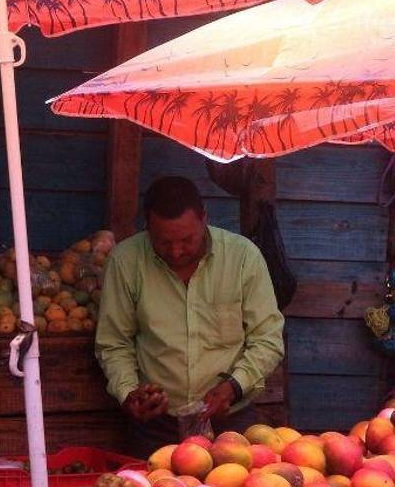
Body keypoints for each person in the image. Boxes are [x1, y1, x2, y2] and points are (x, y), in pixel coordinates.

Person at [96, 176, 285, 453]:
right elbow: (114, 343)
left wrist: (233, 387)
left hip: (230, 422)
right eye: (163, 242)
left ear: (204, 218)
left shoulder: (243, 257)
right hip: (155, 426)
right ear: (147, 227)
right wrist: (129, 393)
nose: (175, 251)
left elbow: (267, 338)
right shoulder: (126, 261)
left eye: (186, 240)